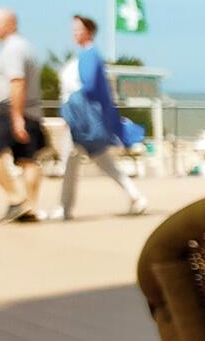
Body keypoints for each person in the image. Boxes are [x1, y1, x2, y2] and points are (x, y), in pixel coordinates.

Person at [56, 15, 149, 220]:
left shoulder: (89, 56)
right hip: (83, 120)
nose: (74, 32)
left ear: (88, 31)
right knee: (102, 163)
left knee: (71, 163)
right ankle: (135, 196)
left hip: (81, 122)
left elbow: (89, 89)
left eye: (78, 28)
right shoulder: (88, 56)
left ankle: (64, 208)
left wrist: (71, 113)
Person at [0, 8, 50, 223]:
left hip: (11, 111)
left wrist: (16, 117)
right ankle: (29, 207)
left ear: (12, 24)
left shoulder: (13, 49)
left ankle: (16, 199)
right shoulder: (25, 47)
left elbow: (17, 82)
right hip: (30, 111)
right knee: (28, 160)